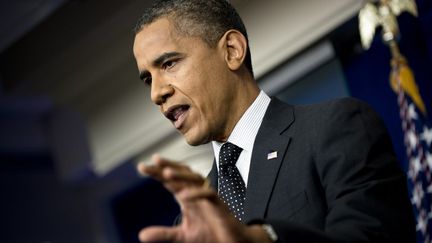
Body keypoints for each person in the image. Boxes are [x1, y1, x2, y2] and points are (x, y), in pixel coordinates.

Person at [132, 0, 416, 242]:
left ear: (232, 50)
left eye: (169, 64)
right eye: (148, 80)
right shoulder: (198, 215)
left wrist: (263, 238)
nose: (157, 93)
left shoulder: (335, 127)